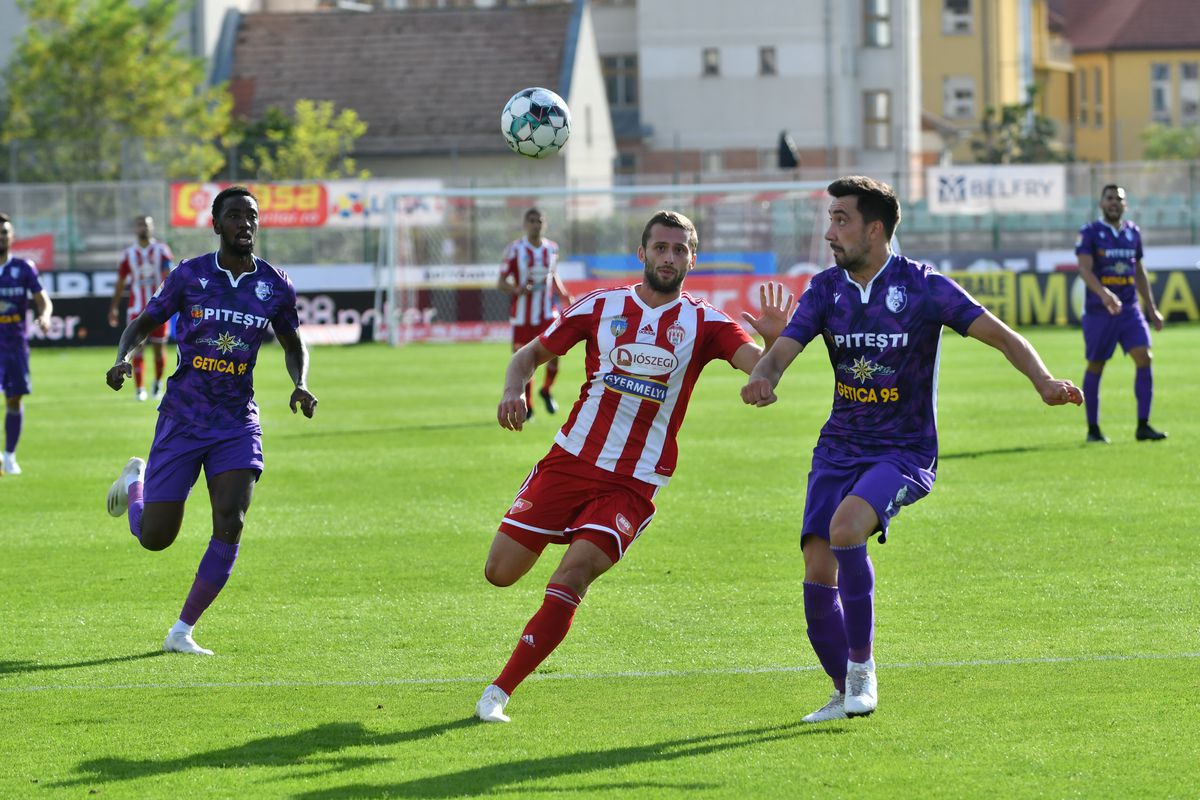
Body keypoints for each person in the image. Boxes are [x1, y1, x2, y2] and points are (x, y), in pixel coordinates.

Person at [742, 176, 1082, 723]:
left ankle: (863, 669)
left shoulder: (924, 287)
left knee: (847, 527)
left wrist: (1042, 381)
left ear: (875, 230)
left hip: (903, 449)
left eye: (841, 220)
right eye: (829, 219)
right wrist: (764, 375)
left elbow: (1001, 335)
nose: (830, 232)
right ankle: (842, 690)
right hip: (839, 448)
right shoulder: (826, 290)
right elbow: (782, 349)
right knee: (814, 569)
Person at [475, 210, 795, 723]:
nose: (669, 257)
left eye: (679, 250)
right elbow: (528, 355)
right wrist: (513, 390)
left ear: (693, 258)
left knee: (574, 573)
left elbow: (758, 368)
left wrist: (778, 343)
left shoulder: (706, 321)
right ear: (642, 253)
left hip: (635, 481)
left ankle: (499, 691)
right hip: (570, 461)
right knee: (499, 572)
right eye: (660, 247)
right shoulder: (601, 306)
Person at [103, 186, 317, 656]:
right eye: (236, 216)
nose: (246, 224)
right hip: (183, 416)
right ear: (216, 225)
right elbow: (143, 322)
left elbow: (292, 341)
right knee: (157, 538)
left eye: (252, 216)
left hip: (237, 422)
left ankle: (182, 630)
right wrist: (124, 358)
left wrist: (299, 383)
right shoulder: (190, 275)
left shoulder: (275, 285)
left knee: (231, 521)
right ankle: (136, 483)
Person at [1075, 184, 1166, 443]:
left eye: (1119, 199)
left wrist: (1152, 307)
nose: (1114, 202)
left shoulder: (1133, 232)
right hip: (1099, 312)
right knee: (1096, 364)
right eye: (1110, 198)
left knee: (1144, 357)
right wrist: (1104, 294)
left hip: (1129, 309)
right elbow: (1084, 269)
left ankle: (1143, 425)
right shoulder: (1090, 232)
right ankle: (1093, 430)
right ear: (1102, 203)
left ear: (1125, 205)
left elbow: (1138, 271)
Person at [497, 208, 573, 419]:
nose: (535, 225)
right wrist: (517, 289)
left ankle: (546, 390)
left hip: (548, 312)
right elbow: (501, 282)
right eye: (531, 221)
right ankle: (528, 405)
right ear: (525, 224)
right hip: (523, 316)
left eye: (539, 221)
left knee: (556, 354)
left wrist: (565, 294)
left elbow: (553, 275)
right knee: (523, 358)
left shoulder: (551, 249)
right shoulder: (515, 249)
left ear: (544, 224)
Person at [0, 213, 52, 476]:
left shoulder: (24, 268)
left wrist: (44, 315)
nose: (1, 236)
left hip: (14, 346)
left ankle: (9, 455)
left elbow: (43, 298)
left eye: (5, 232)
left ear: (12, 237)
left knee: (14, 398)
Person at [108, 214, 175, 401]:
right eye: (140, 225)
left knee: (159, 348)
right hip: (136, 307)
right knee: (136, 347)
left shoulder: (161, 250)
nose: (143, 228)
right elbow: (121, 281)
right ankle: (139, 388)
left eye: (146, 225)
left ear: (152, 228)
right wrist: (113, 307)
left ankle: (157, 383)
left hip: (159, 306)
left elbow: (170, 275)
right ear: (135, 229)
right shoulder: (128, 254)